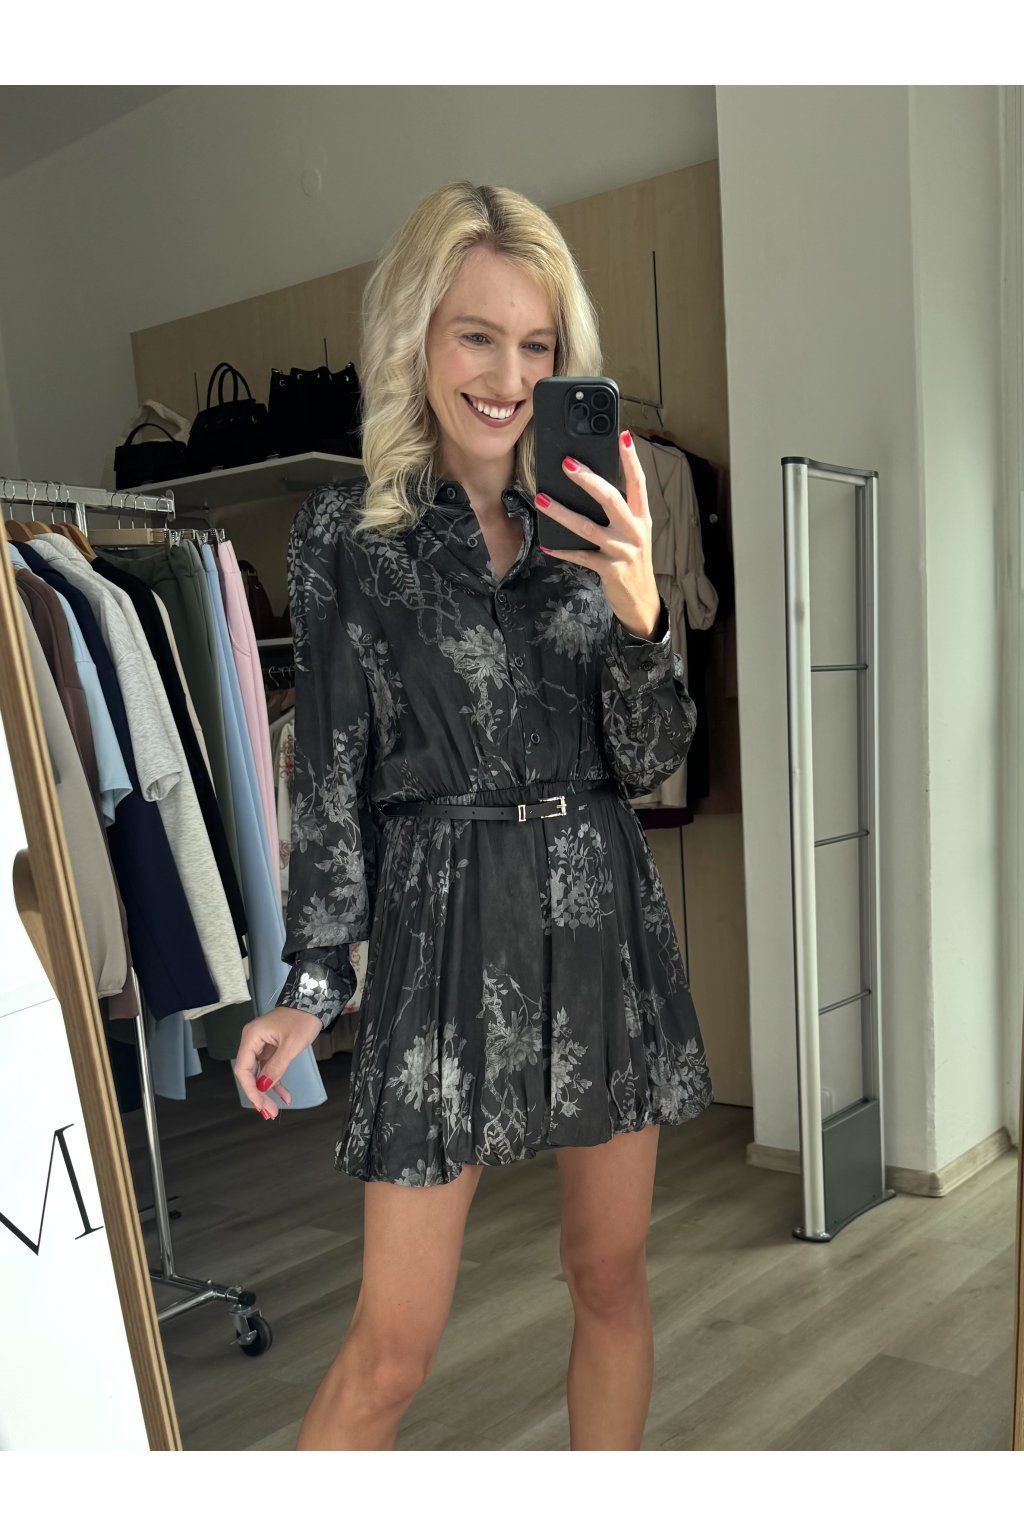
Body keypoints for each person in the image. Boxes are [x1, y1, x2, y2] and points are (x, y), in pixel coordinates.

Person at [233, 180, 714, 1451]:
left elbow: (651, 757)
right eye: (477, 336)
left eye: (538, 345)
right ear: (417, 337)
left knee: (607, 1276)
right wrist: (312, 983)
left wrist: (639, 613)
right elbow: (328, 774)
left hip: (596, 917)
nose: (508, 377)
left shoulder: (601, 519)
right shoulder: (348, 537)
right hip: (441, 931)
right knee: (391, 1347)